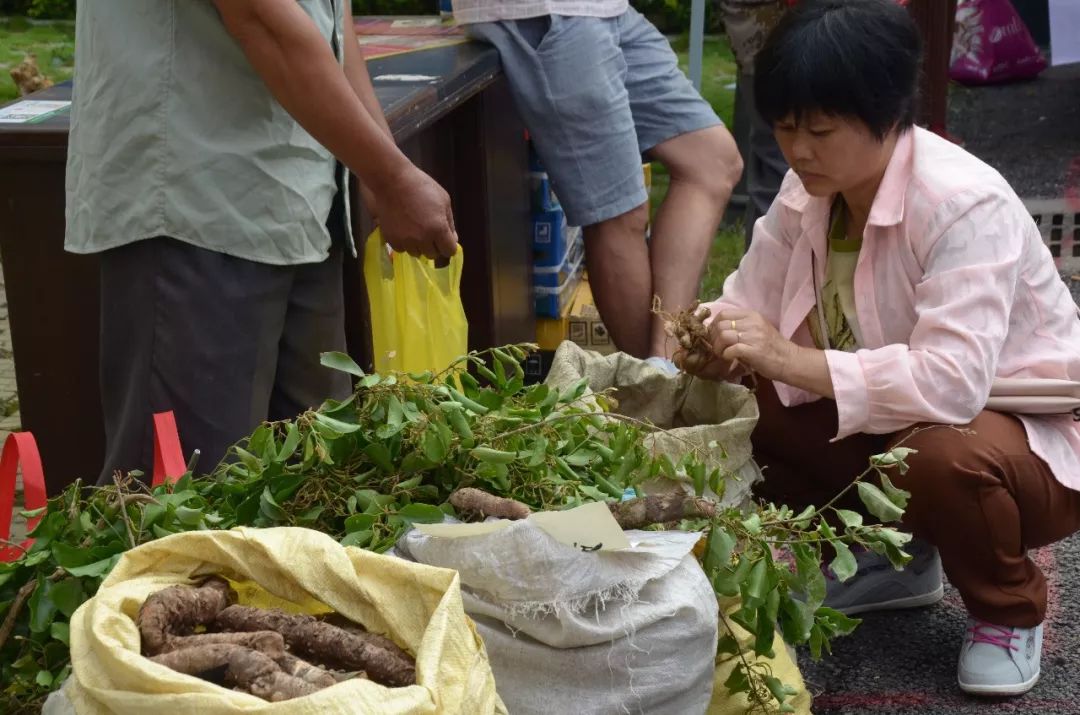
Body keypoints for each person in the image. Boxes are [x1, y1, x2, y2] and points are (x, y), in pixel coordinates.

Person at [681, 0, 1080, 697]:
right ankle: (896, 563)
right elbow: (748, 297)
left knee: (938, 459)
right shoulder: (810, 189)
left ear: (889, 115)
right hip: (906, 421)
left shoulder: (962, 202)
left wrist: (782, 357)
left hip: (1022, 435)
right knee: (742, 399)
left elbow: (951, 385)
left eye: (821, 130)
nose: (797, 148)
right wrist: (713, 334)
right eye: (784, 127)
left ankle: (1008, 607)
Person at [66, 0, 458, 483]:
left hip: (299, 206)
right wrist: (390, 176)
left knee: (313, 487)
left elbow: (334, 22)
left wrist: (378, 168)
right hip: (197, 207)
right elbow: (257, 16)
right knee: (192, 508)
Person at [453, 0, 744, 364]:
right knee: (618, 212)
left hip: (606, 10)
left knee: (712, 160)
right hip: (546, 13)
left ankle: (666, 365)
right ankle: (661, 381)